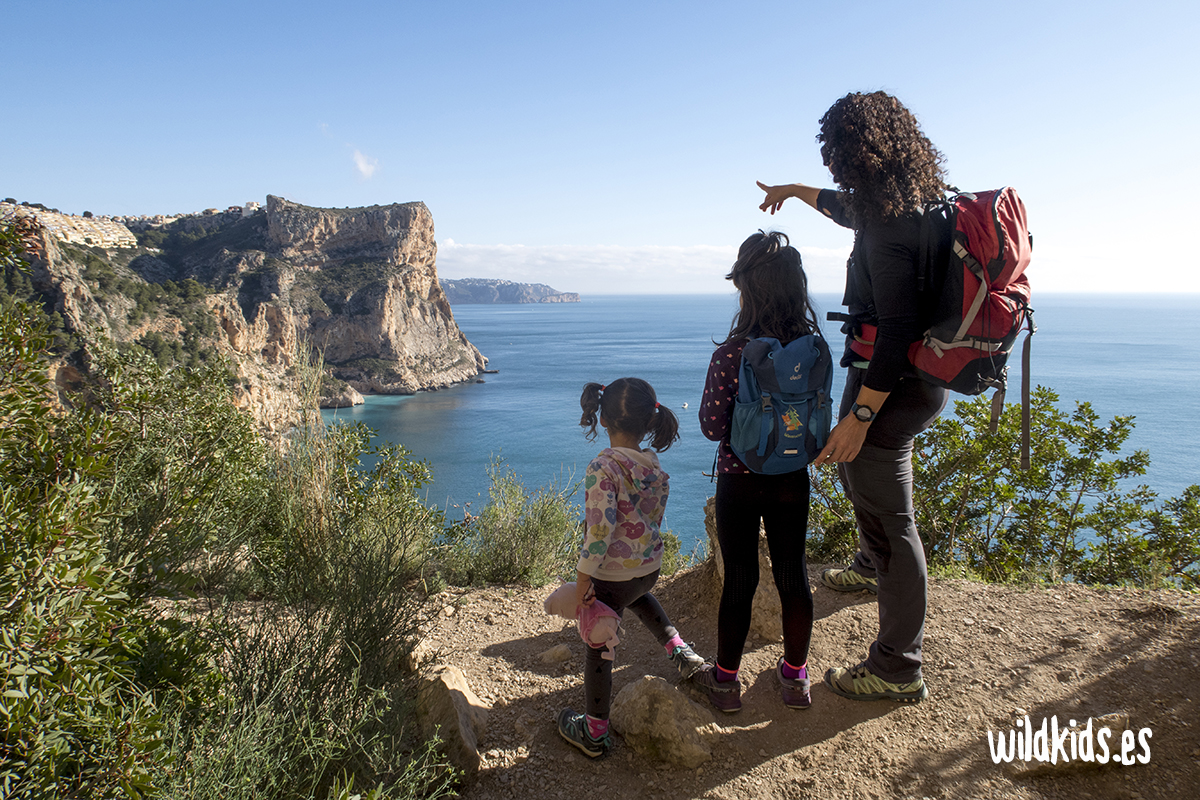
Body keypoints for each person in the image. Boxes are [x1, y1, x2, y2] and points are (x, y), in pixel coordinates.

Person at [756, 90, 951, 703]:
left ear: (859, 153)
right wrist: (794, 190)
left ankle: (898, 666)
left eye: (837, 155)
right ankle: (870, 569)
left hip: (890, 384)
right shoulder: (910, 204)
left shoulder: (890, 229)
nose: (833, 167)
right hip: (907, 382)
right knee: (869, 490)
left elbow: (894, 333)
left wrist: (862, 416)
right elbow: (849, 210)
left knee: (893, 521)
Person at [693, 230, 822, 713]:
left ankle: (726, 682)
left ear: (747, 289)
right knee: (794, 575)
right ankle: (795, 679)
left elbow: (710, 426)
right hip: (792, 476)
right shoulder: (813, 349)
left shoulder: (731, 354)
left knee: (741, 579)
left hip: (739, 477)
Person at [557, 377, 706, 758]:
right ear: (649, 423)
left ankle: (593, 732)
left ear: (603, 421)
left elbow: (599, 531)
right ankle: (680, 652)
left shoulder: (603, 467)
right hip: (648, 567)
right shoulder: (652, 464)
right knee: (640, 596)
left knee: (598, 645)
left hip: (611, 577)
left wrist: (583, 579)